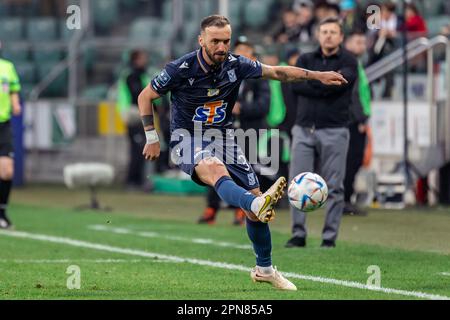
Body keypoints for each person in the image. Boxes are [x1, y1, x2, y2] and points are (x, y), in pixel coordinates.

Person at [138, 15, 346, 291]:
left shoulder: (237, 64)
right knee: (215, 170)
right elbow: (145, 96)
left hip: (224, 138)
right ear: (201, 40)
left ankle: (265, 269)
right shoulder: (181, 68)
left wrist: (317, 76)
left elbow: (278, 72)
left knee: (258, 208)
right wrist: (152, 136)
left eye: (226, 41)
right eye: (215, 41)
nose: (222, 47)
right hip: (186, 137)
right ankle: (251, 203)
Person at [285, 17, 357, 249]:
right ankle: (298, 234)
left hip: (335, 130)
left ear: (341, 36)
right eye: (324, 31)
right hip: (304, 129)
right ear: (318, 35)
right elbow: (294, 85)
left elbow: (342, 84)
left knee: (335, 186)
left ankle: (329, 237)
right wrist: (325, 81)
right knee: (297, 184)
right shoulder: (305, 59)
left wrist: (311, 81)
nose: (328, 35)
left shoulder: (349, 60)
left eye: (333, 32)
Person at [197, 36, 271, 226]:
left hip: (249, 131)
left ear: (253, 56)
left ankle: (242, 211)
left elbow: (264, 105)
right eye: (239, 50)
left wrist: (242, 108)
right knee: (215, 167)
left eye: (247, 50)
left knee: (244, 171)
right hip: (222, 130)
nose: (242, 54)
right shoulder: (221, 73)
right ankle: (211, 208)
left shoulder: (258, 78)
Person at [343, 31, 372, 216]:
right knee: (351, 161)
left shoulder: (357, 63)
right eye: (357, 41)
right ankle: (345, 201)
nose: (362, 45)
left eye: (363, 42)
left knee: (354, 161)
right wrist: (360, 119)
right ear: (347, 43)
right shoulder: (349, 63)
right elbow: (352, 95)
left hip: (356, 120)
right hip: (353, 122)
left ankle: (347, 199)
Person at [0, 45, 22, 229]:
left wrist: (15, 103)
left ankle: (2, 213)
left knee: (7, 171)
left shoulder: (7, 66)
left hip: (3, 124)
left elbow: (13, 89)